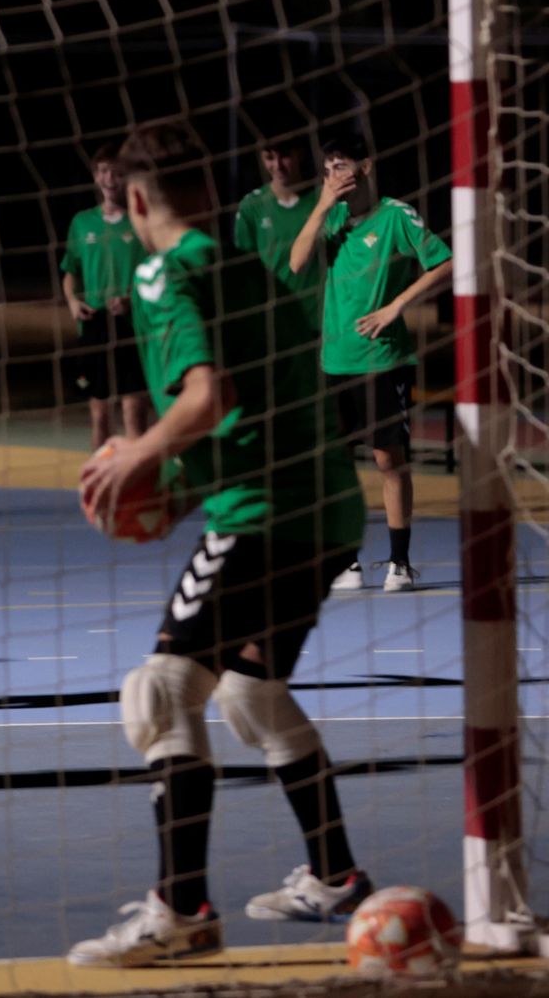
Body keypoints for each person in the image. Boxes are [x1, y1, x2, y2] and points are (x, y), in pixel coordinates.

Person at [70, 120, 371, 968]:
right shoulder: (249, 267)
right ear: (208, 189)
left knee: (161, 691)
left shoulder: (166, 271)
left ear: (132, 201)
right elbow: (252, 405)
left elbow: (205, 398)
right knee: (250, 694)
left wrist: (139, 453)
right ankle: (337, 875)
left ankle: (182, 909)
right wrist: (183, 483)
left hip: (266, 515)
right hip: (328, 511)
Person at [289, 132, 453, 593]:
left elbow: (445, 263)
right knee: (334, 466)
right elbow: (297, 262)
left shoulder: (397, 216)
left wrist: (397, 304)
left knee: (388, 459)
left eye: (341, 165)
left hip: (383, 360)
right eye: (327, 168)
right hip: (335, 360)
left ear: (366, 166)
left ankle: (399, 562)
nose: (334, 175)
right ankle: (347, 561)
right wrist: (321, 205)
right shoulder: (332, 218)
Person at [61, 142, 152, 450]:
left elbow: (156, 269)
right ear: (95, 177)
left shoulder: (141, 220)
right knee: (99, 413)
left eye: (116, 172)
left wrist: (132, 299)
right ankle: (101, 489)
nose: (109, 178)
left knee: (134, 410)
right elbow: (70, 270)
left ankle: (138, 488)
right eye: (103, 171)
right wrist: (73, 301)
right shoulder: (82, 222)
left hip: (132, 324)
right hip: (95, 324)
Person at [233, 133, 325, 330]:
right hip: (279, 321)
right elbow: (246, 271)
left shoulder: (324, 198)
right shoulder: (252, 206)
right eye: (269, 158)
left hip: (324, 317)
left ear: (299, 154)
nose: (278, 166)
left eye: (284, 156)